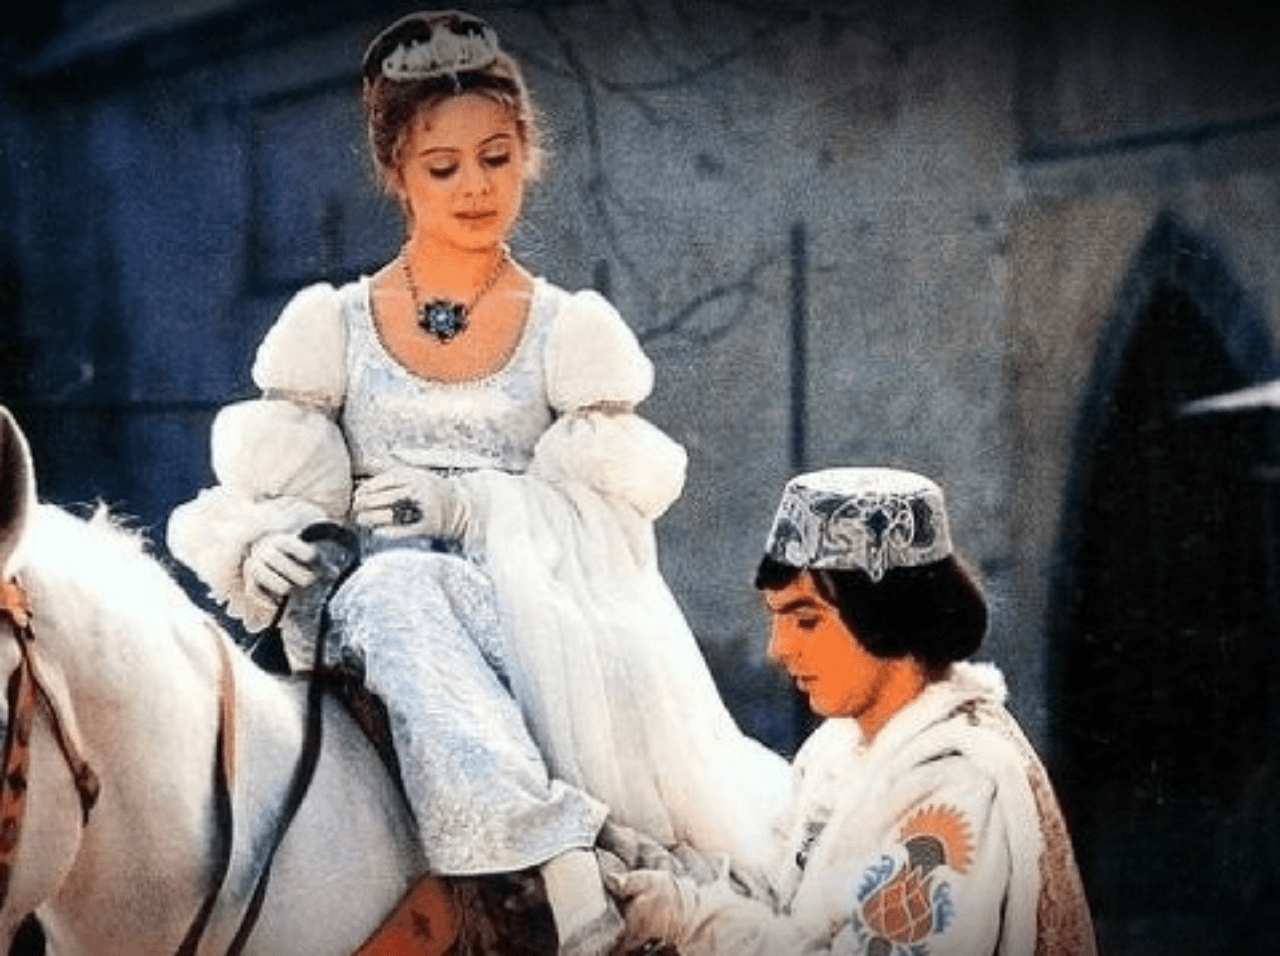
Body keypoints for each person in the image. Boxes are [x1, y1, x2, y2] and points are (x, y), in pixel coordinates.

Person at [166, 10, 787, 956]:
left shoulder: (567, 332)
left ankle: (555, 866)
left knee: (410, 582)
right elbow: (277, 489)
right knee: (395, 585)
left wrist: (467, 507)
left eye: (496, 158)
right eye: (443, 166)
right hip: (373, 627)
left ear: (527, 153)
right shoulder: (334, 327)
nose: (475, 187)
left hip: (530, 624)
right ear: (398, 173)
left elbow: (611, 527)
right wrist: (265, 542)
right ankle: (554, 856)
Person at [605, 467, 1098, 955]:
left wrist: (690, 921)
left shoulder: (959, 786)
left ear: (886, 615)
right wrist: (660, 886)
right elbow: (782, 908)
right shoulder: (834, 749)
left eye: (806, 620)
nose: (778, 649)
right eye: (775, 619)